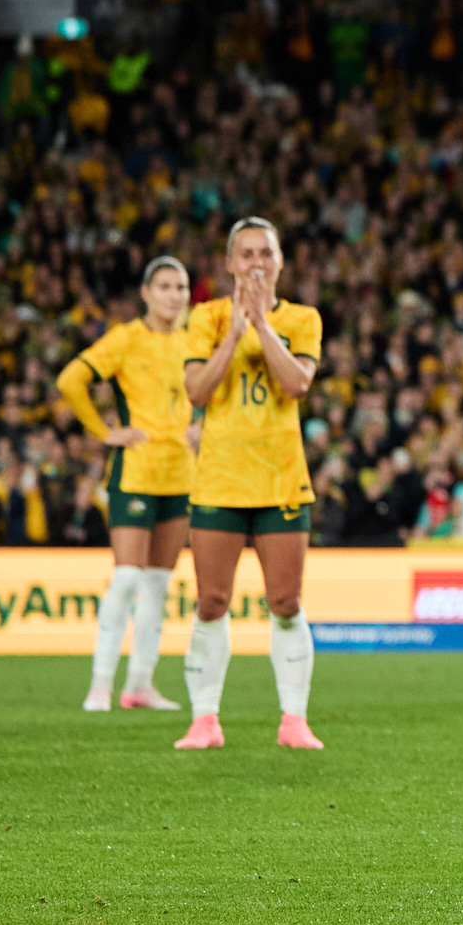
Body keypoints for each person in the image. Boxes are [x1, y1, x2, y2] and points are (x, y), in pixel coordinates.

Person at [174, 218, 325, 751]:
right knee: (211, 601)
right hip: (219, 481)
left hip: (281, 480)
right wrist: (234, 333)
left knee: (285, 602)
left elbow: (297, 383)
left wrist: (261, 326)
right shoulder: (207, 317)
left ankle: (294, 721)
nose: (256, 263)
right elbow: (196, 390)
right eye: (246, 254)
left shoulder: (304, 318)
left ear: (281, 262)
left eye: (266, 253)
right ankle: (205, 720)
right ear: (229, 263)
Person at [54, 255, 197, 713]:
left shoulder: (196, 342)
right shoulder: (126, 339)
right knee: (128, 575)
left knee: (158, 583)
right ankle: (100, 684)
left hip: (181, 474)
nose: (174, 295)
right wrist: (103, 432)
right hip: (136, 471)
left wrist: (205, 425)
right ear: (146, 293)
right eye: (165, 286)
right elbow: (71, 379)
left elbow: (215, 391)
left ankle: (139, 684)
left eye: (181, 287)